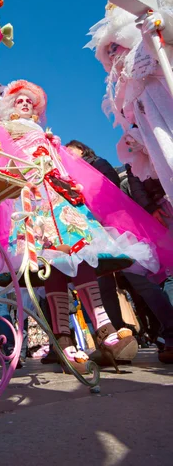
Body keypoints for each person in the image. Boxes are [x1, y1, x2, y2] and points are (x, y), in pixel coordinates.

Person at [0, 80, 156, 373]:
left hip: (63, 199)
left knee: (83, 253)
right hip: (35, 202)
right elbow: (5, 162)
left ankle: (103, 328)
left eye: (29, 101)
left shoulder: (46, 135)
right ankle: (64, 340)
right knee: (52, 262)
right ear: (10, 107)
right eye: (19, 101)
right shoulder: (7, 132)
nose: (25, 104)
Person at [66, 141, 173, 363]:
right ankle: (114, 344)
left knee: (140, 280)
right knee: (103, 287)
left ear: (82, 149)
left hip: (117, 227)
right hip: (92, 233)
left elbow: (111, 190)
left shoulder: (98, 164)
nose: (67, 154)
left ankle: (171, 333)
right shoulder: (66, 174)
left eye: (70, 150)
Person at [86, 5, 173, 205]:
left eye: (115, 46)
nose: (112, 55)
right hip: (160, 143)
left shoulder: (146, 51)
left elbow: (164, 46)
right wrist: (138, 141)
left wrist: (162, 25)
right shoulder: (123, 89)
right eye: (108, 52)